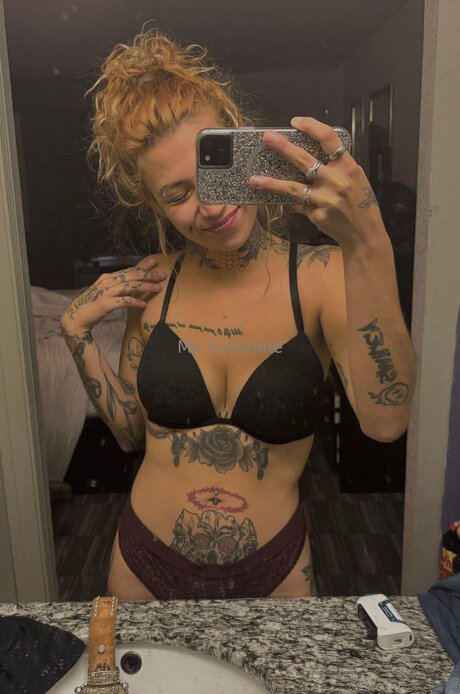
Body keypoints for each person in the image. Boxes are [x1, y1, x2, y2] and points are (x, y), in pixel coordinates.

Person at [59, 26, 416, 600]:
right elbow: (130, 435)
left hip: (276, 569)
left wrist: (367, 238)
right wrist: (76, 333)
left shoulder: (322, 276)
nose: (210, 206)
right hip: (143, 561)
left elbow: (386, 420)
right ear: (152, 204)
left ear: (245, 144)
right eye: (177, 195)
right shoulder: (153, 283)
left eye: (214, 174)